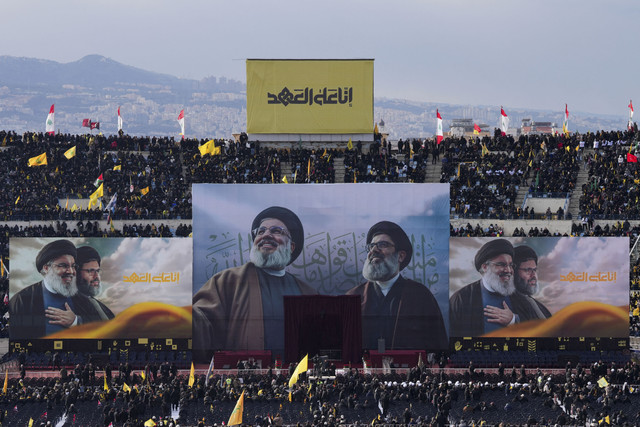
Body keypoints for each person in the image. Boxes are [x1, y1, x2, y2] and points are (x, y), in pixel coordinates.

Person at [192, 206, 315, 358]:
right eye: (261, 231)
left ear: (291, 247)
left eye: (276, 231)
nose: (266, 235)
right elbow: (203, 321)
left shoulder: (307, 292)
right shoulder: (228, 281)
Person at [346, 221, 448, 350]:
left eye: (382, 245)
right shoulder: (352, 297)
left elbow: (437, 346)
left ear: (400, 256)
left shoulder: (421, 296)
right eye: (371, 246)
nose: (374, 250)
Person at [9, 240, 115, 339]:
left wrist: (75, 321)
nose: (70, 271)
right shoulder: (21, 300)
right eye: (63, 265)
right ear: (46, 268)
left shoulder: (85, 300)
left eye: (73, 266)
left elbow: (103, 330)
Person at [449, 239, 541, 337]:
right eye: (501, 264)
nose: (508, 270)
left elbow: (539, 330)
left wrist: (513, 320)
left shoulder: (522, 300)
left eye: (510, 265)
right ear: (485, 267)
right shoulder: (461, 299)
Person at [76, 246, 115, 321]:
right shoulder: (68, 305)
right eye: (91, 271)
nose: (96, 276)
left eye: (97, 271)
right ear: (76, 273)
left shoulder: (103, 308)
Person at [513, 245, 551, 319]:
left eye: (534, 270)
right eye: (527, 270)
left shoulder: (541, 307)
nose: (533, 275)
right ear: (514, 272)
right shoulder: (508, 304)